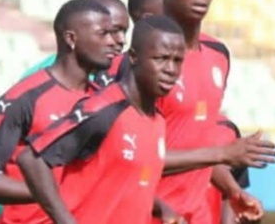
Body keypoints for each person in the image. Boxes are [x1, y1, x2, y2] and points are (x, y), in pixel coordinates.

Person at [18, 15, 189, 224]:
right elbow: (31, 159)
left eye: (177, 61)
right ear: (133, 57)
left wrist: (163, 209)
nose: (170, 70)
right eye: (160, 59)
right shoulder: (103, 109)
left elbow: (125, 186)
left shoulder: (157, 121)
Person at [152, 0, 273, 223]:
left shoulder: (218, 55)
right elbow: (135, 158)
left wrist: (232, 191)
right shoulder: (146, 61)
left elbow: (196, 143)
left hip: (197, 215)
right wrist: (223, 153)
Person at [0, 0, 116, 209]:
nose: (113, 41)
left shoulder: (105, 100)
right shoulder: (25, 96)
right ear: (71, 38)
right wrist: (49, 194)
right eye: (103, 34)